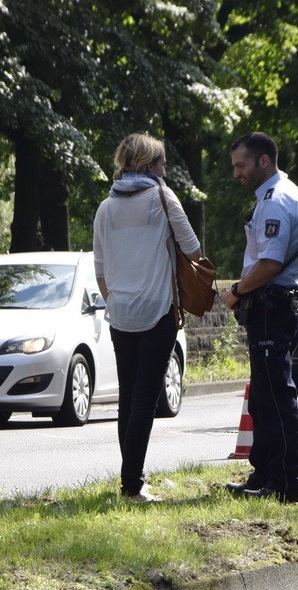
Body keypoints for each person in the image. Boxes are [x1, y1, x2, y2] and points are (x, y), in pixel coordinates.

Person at [93, 133, 202, 502]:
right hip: (157, 310)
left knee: (128, 398)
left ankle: (130, 479)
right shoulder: (161, 196)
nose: (165, 169)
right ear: (149, 165)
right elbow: (193, 248)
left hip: (119, 313)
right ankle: (131, 486)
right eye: (163, 163)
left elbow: (101, 269)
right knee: (145, 401)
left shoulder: (105, 207)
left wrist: (119, 300)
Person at [224, 132, 298, 504]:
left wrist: (238, 291)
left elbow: (270, 263)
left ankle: (283, 482)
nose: (236, 174)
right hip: (278, 305)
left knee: (275, 395)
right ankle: (263, 472)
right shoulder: (292, 193)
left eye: (241, 165)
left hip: (271, 304)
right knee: (263, 394)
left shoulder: (275, 202)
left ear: (263, 161)